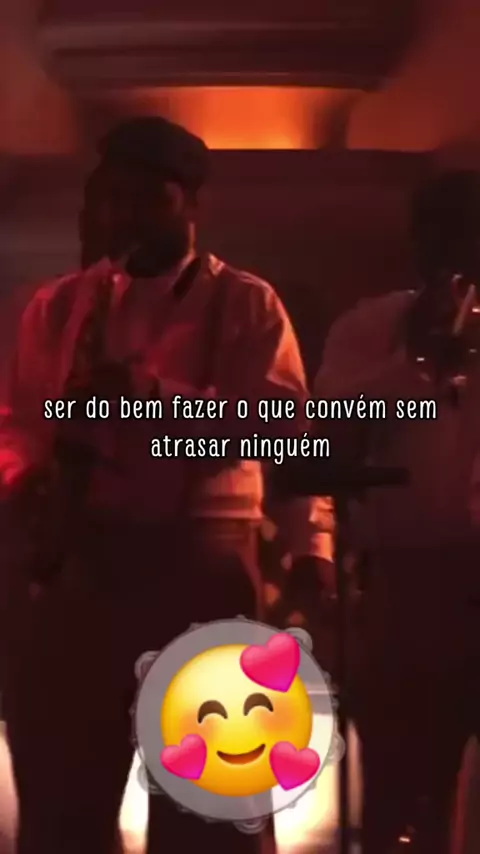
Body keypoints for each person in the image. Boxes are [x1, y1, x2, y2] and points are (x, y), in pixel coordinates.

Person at [0, 116, 334, 854]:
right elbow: (18, 423)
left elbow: (278, 430)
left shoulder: (246, 303)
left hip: (202, 566)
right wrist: (29, 484)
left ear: (191, 205)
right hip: (81, 566)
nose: (126, 216)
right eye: (114, 198)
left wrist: (154, 398)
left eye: (148, 199)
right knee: (63, 794)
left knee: (211, 802)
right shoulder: (58, 305)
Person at [313, 169, 480, 853]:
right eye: (441, 237)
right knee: (397, 781)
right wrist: (414, 364)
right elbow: (323, 433)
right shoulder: (368, 327)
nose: (456, 256)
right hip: (403, 581)